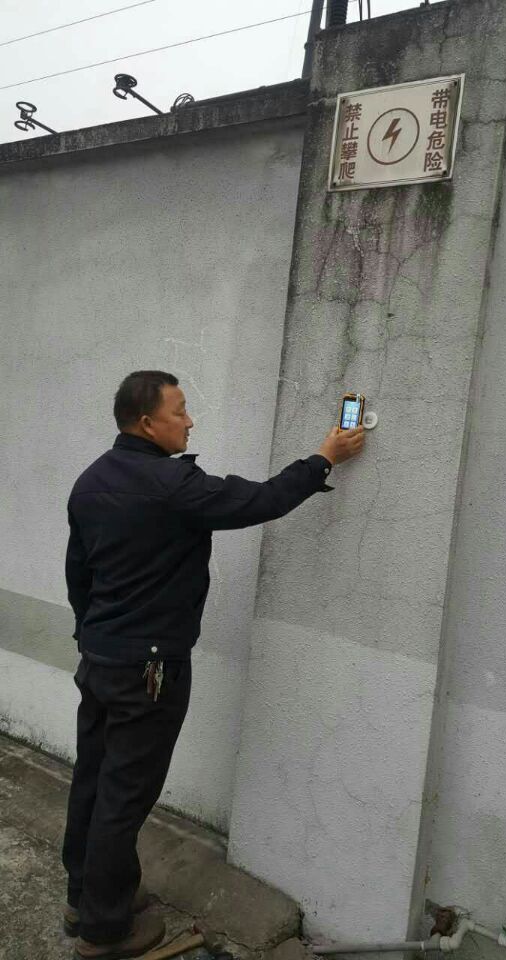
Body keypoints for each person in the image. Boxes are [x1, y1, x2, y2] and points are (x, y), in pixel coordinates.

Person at [62, 370, 365, 959]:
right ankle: (103, 931)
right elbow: (261, 500)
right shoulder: (172, 484)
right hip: (148, 671)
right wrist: (324, 457)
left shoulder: (90, 480)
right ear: (147, 423)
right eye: (180, 411)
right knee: (123, 798)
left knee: (94, 781)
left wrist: (90, 636)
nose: (190, 420)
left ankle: (86, 897)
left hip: (100, 659)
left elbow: (80, 574)